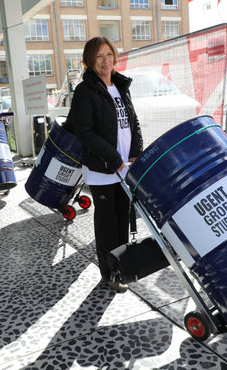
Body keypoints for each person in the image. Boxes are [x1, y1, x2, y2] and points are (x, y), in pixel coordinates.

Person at [65, 37, 143, 293]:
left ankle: (123, 267)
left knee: (123, 218)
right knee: (108, 224)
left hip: (124, 167)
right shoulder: (85, 91)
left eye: (109, 55)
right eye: (99, 56)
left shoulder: (121, 85)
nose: (106, 61)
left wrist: (134, 153)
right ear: (90, 60)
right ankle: (110, 273)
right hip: (102, 169)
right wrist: (115, 159)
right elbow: (85, 133)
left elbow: (133, 122)